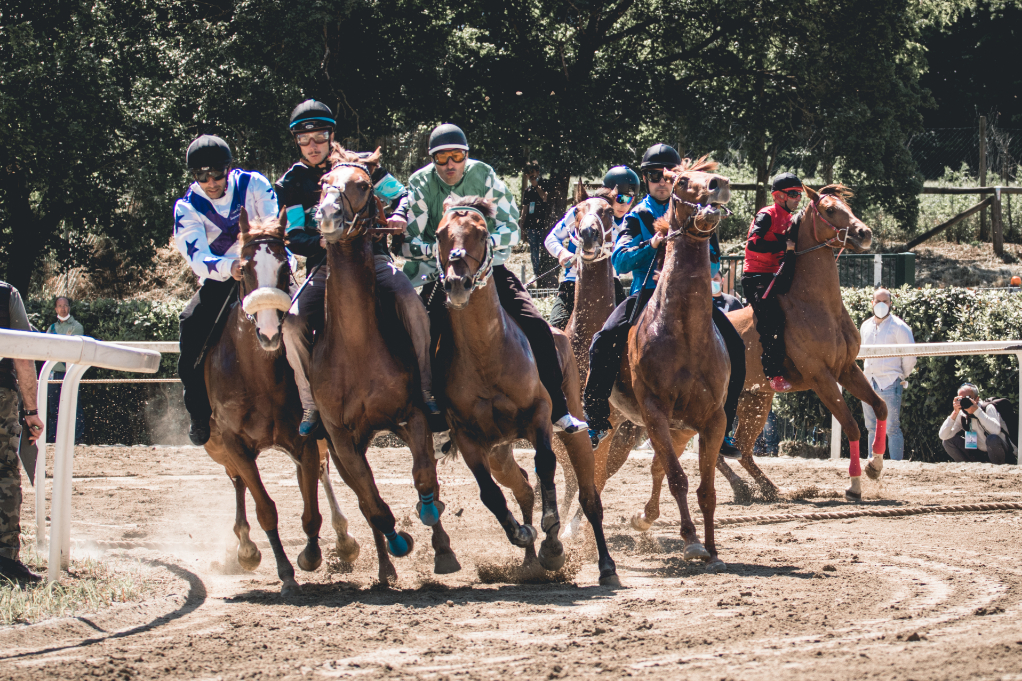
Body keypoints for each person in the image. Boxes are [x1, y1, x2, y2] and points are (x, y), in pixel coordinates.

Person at [391, 123, 586, 434]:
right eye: (441, 159)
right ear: (433, 160)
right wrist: (445, 252)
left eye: (456, 156)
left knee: (536, 324)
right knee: (421, 337)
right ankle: (432, 415)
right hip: (439, 273)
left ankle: (559, 409)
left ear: (466, 155)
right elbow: (404, 243)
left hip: (488, 269)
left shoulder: (484, 175)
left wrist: (476, 251)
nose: (450, 164)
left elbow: (512, 228)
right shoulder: (418, 183)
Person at [275, 100, 440, 435]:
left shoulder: (361, 167)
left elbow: (402, 195)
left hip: (373, 261)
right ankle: (310, 404)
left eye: (319, 137)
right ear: (296, 142)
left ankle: (425, 387)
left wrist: (397, 216)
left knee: (412, 304)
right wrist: (324, 242)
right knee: (291, 326)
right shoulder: (291, 182)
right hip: (323, 269)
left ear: (331, 135)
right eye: (304, 140)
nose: (312, 146)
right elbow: (293, 235)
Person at [582, 144, 746, 457]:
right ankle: (597, 419)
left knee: (736, 347)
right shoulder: (637, 217)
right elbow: (620, 262)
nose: (661, 180)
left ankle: (727, 423)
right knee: (603, 340)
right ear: (645, 179)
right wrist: (654, 243)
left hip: (693, 301)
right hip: (646, 295)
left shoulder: (701, 211)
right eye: (654, 175)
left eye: (667, 175)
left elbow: (714, 263)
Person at [174, 135, 279, 445]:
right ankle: (197, 410)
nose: (210, 182)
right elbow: (197, 257)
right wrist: (230, 268)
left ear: (228, 169)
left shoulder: (255, 185)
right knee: (190, 323)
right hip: (223, 279)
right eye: (201, 175)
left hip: (265, 272)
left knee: (307, 317)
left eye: (217, 174)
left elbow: (274, 226)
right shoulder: (187, 207)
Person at [544, 166, 635, 329]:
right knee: (555, 329)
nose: (624, 205)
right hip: (573, 282)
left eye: (629, 199)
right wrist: (561, 252)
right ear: (609, 193)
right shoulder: (579, 211)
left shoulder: (630, 221)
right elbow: (551, 238)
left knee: (629, 328)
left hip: (611, 284)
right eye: (620, 198)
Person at [0, 279, 45, 584]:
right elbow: (23, 357)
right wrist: (31, 412)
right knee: (4, 472)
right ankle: (5, 560)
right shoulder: (7, 294)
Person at [742, 172, 803, 393]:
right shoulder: (766, 215)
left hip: (780, 274)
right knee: (773, 320)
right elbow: (753, 244)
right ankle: (773, 373)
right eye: (794, 194)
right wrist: (783, 244)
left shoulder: (794, 218)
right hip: (757, 277)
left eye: (800, 194)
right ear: (778, 196)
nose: (798, 198)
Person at [859, 288, 915, 461]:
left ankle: (896, 464)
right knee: (871, 427)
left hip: (890, 382)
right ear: (872, 302)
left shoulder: (900, 327)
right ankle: (872, 462)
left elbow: (910, 357)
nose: (881, 305)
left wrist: (899, 376)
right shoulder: (865, 326)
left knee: (891, 428)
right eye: (878, 301)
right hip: (869, 383)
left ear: (890, 304)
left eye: (885, 301)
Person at [939, 383, 1015, 464]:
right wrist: (954, 413)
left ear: (977, 399)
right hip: (979, 453)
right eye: (961, 399)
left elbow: (995, 431)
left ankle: (998, 468)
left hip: (1000, 453)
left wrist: (977, 412)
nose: (965, 401)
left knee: (992, 439)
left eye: (968, 398)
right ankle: (967, 468)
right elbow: (943, 436)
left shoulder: (987, 408)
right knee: (948, 441)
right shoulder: (961, 414)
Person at [44, 296, 85, 444]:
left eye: (65, 305)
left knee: (74, 405)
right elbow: (48, 347)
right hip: (54, 372)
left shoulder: (77, 326)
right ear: (56, 309)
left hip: (70, 371)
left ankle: (77, 438)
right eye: (60, 306)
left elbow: (72, 349)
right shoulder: (52, 328)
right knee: (53, 408)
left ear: (69, 307)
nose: (63, 309)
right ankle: (53, 438)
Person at [520, 162, 558, 289]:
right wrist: (521, 225)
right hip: (530, 226)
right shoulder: (528, 190)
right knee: (533, 252)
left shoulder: (545, 184)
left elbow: (545, 198)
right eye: (528, 173)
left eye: (532, 172)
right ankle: (537, 275)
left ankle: (546, 276)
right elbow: (525, 209)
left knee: (545, 250)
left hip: (543, 225)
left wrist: (537, 187)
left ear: (537, 172)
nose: (531, 175)